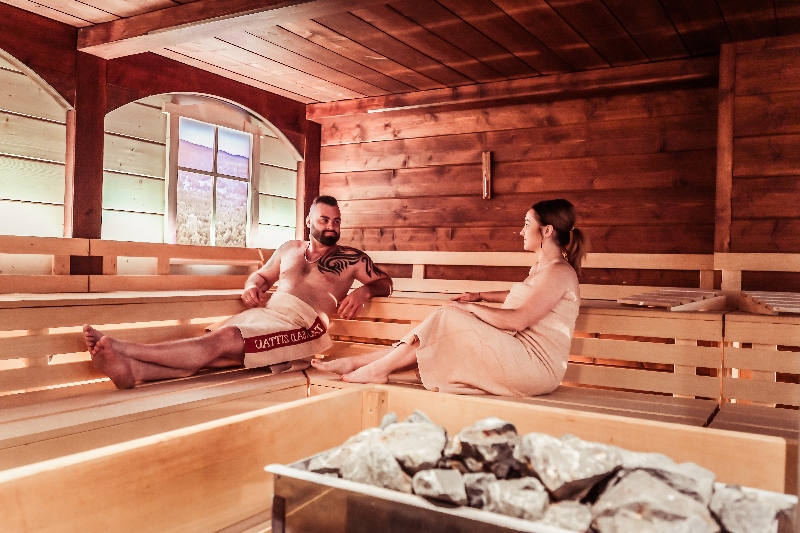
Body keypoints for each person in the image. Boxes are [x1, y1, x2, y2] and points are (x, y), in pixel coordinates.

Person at [83, 195, 393, 389]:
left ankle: (125, 348)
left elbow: (385, 282)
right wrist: (251, 287)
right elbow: (261, 275)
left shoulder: (352, 258)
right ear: (310, 220)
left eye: (336, 221)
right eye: (325, 219)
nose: (332, 226)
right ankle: (133, 371)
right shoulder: (288, 249)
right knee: (216, 353)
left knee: (223, 340)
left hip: (304, 326)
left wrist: (364, 292)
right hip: (268, 314)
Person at [311, 199, 586, 397]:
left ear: (547, 231)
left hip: (535, 369)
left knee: (449, 317)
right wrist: (479, 295)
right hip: (517, 356)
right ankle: (363, 365)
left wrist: (472, 308)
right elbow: (521, 296)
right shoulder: (544, 270)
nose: (521, 231)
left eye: (527, 225)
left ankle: (369, 367)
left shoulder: (559, 273)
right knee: (442, 328)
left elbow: (518, 319)